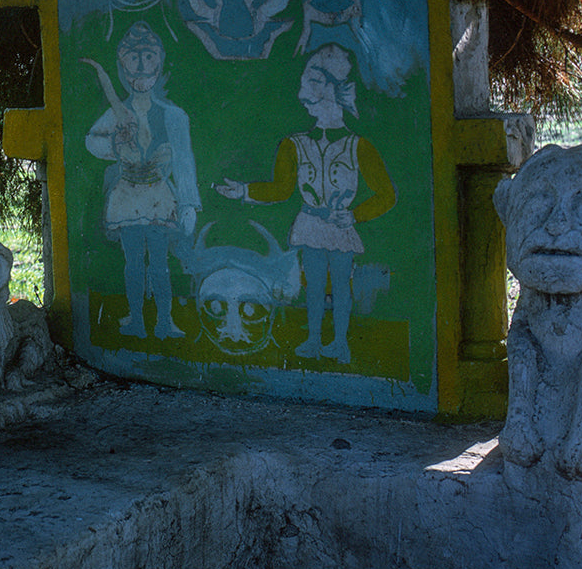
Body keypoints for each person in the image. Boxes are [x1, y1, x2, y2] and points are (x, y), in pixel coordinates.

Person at [216, 45, 396, 363]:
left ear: (332, 88)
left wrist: (354, 215)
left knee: (341, 287)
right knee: (313, 287)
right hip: (310, 224)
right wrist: (244, 192)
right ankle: (314, 340)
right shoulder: (294, 144)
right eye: (305, 80)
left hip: (340, 229)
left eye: (313, 80)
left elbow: (387, 195)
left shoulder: (359, 147)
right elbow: (282, 190)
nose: (304, 90)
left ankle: (339, 342)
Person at [84, 22, 200, 340]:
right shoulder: (118, 114)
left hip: (160, 197)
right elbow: (91, 140)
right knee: (133, 263)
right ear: (122, 65)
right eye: (132, 58)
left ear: (158, 63)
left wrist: (188, 203)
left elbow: (185, 161)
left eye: (147, 56)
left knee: (160, 263)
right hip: (127, 196)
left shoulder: (173, 115)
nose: (140, 65)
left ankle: (165, 321)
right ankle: (137, 319)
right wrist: (117, 146)